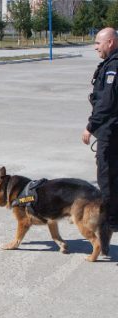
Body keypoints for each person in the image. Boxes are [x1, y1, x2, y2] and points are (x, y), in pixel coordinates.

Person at [82, 27, 118, 232]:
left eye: (98, 43)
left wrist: (90, 126)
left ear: (110, 42)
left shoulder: (114, 66)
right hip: (113, 128)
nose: (95, 47)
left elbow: (107, 102)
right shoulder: (111, 64)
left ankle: (108, 220)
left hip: (110, 129)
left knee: (106, 175)